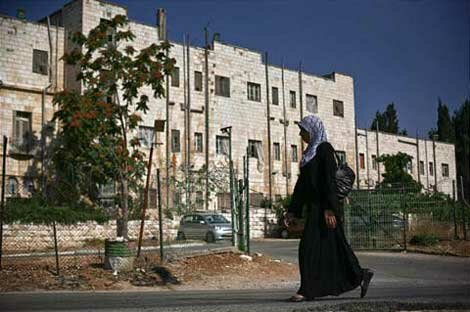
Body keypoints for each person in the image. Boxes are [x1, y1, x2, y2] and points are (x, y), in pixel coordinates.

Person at [285, 114, 373, 302]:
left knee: (307, 248)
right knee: (337, 249)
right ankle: (361, 275)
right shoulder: (309, 153)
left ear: (313, 131)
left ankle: (307, 289)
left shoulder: (324, 149)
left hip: (325, 210)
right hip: (315, 209)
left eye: (303, 130)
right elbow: (302, 186)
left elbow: (329, 181)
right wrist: (293, 210)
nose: (301, 135)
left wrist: (330, 209)